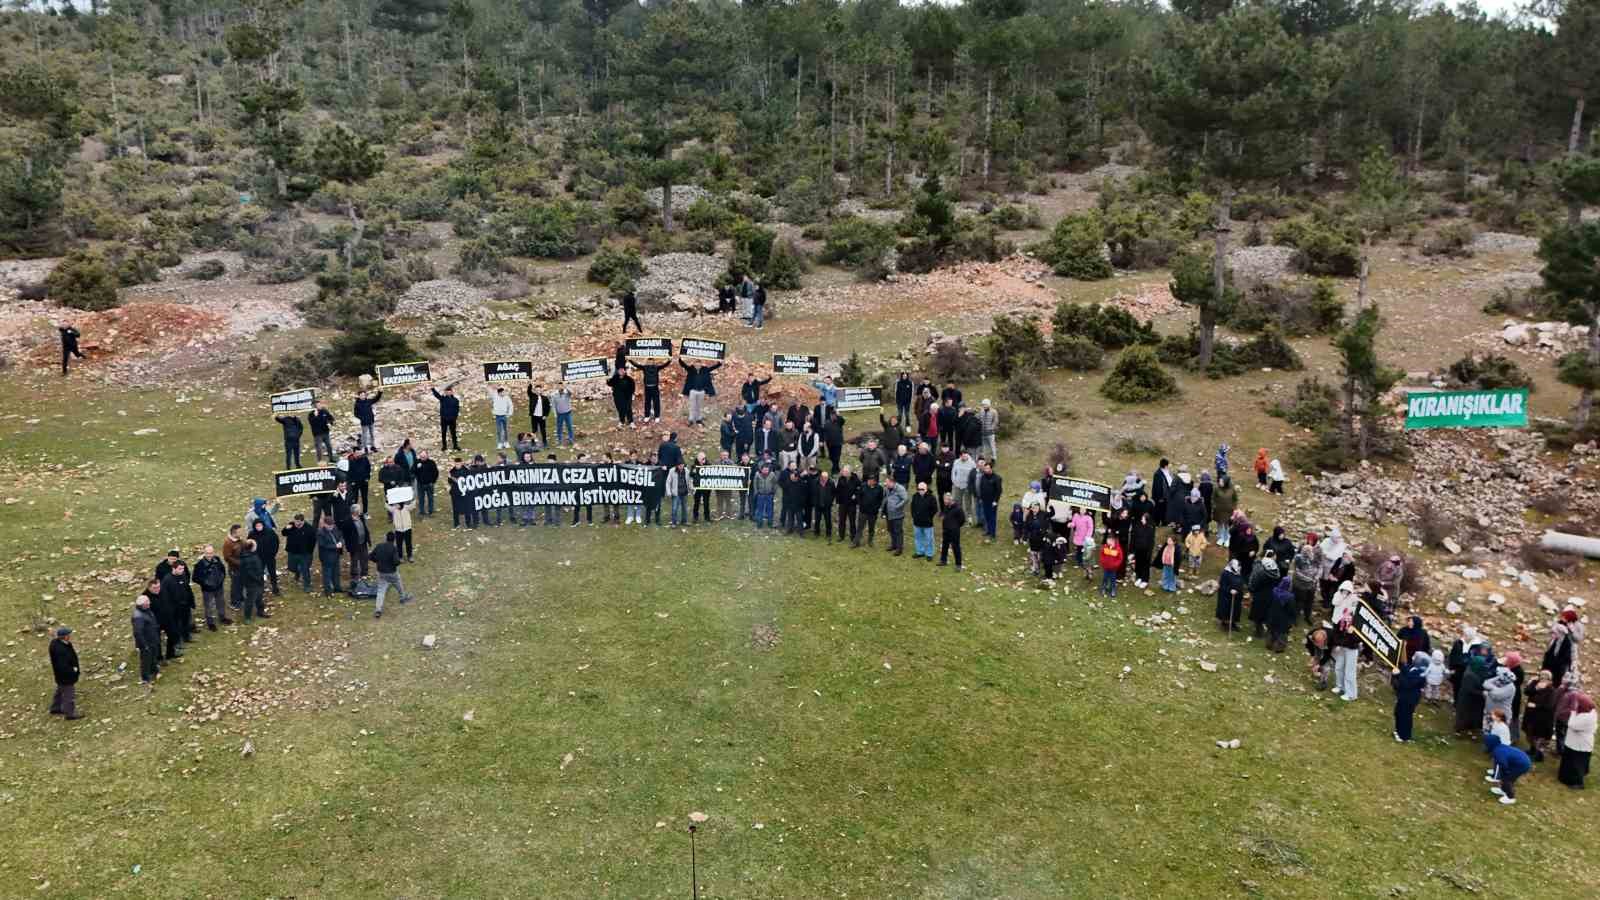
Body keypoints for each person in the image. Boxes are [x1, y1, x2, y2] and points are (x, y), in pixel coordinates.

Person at [369, 531, 412, 619]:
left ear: (386, 538)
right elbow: (396, 561)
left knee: (381, 591)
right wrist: (400, 562)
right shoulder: (393, 548)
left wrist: (377, 561)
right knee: (398, 582)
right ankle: (402, 597)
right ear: (394, 540)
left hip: (381, 572)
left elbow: (371, 556)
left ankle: (378, 610)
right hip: (392, 572)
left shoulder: (379, 546)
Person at [1558, 692, 1595, 788]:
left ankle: (1578, 783)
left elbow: (1572, 724)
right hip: (1572, 742)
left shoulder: (1588, 716)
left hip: (1581, 744)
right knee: (1568, 761)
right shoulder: (1583, 711)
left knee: (1577, 764)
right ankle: (1565, 778)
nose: (1576, 704)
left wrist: (1573, 712)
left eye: (1578, 703)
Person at [1484, 732, 1531, 805]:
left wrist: (1506, 773)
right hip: (1520, 761)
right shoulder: (1499, 746)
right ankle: (1503, 790)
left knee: (1507, 779)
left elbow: (1503, 763)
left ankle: (1510, 797)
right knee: (1505, 777)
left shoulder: (1497, 751)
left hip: (1522, 765)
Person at [1393, 651, 1430, 743]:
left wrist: (1398, 674)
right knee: (1398, 712)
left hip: (1410, 698)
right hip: (1403, 696)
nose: (1412, 657)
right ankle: (1398, 731)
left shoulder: (1421, 674)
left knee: (1405, 716)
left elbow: (1407, 683)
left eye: (1415, 657)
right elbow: (1405, 669)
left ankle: (1404, 736)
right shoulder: (1412, 668)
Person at [48, 626, 82, 719]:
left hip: (60, 676)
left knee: (60, 690)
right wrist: (73, 672)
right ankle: (70, 713)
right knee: (69, 694)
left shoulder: (55, 643)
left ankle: (55, 707)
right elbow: (63, 665)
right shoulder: (61, 650)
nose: (70, 636)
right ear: (65, 637)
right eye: (69, 634)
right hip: (66, 676)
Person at [193, 545, 229, 629]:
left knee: (221, 603)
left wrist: (221, 579)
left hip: (219, 587)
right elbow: (195, 578)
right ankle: (210, 623)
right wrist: (205, 583)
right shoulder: (199, 564)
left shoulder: (217, 559)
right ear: (204, 553)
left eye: (211, 553)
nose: (210, 555)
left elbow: (222, 569)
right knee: (209, 606)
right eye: (208, 553)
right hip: (208, 590)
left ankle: (222, 618)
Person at [1331, 606, 1362, 701]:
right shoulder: (1340, 622)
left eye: (1349, 615)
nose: (1347, 617)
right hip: (1341, 647)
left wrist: (1351, 633)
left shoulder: (1357, 625)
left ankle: (1351, 694)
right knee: (1339, 667)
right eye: (1346, 614)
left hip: (1352, 649)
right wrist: (1337, 644)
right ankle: (1340, 686)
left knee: (1349, 671)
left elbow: (1358, 639)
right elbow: (1336, 633)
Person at [680, 358, 721, 426]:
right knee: (692, 406)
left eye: (699, 364)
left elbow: (713, 368)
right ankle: (691, 420)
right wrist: (680, 359)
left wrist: (719, 363)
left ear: (701, 364)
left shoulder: (705, 369)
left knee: (699, 406)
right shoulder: (690, 369)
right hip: (693, 391)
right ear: (694, 364)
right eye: (696, 364)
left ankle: (699, 419)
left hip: (701, 391)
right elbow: (683, 365)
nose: (697, 366)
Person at [628, 357, 670, 423]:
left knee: (656, 402)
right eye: (649, 361)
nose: (650, 362)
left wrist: (669, 360)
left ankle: (657, 416)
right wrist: (630, 360)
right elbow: (637, 365)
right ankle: (647, 416)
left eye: (651, 361)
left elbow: (664, 365)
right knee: (647, 402)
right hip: (647, 388)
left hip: (655, 387)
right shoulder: (645, 367)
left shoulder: (656, 367)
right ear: (647, 362)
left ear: (653, 362)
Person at [132, 593, 161, 689]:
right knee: (146, 660)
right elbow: (138, 633)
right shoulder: (138, 617)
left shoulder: (146, 610)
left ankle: (153, 670)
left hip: (152, 639)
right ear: (142, 604)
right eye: (147, 602)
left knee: (153, 656)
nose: (149, 603)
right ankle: (145, 677)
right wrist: (144, 645)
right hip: (146, 642)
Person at [281, 514, 314, 591]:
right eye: (295, 521)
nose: (296, 523)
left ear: (302, 521)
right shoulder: (291, 525)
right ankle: (297, 573)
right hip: (292, 552)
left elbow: (313, 541)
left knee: (305, 569)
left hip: (304, 553)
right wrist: (286, 528)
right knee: (292, 567)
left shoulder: (309, 529)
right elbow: (283, 533)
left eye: (298, 522)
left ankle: (307, 585)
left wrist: (309, 552)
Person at [251, 519, 281, 597]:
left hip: (270, 557)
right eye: (257, 526)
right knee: (260, 573)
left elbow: (276, 542)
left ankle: (275, 588)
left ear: (263, 525)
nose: (259, 527)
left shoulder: (270, 532)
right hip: (259, 558)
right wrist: (254, 555)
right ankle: (261, 588)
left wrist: (273, 553)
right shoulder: (252, 534)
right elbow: (250, 545)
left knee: (272, 572)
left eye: (260, 525)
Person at [316, 515, 345, 595]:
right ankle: (328, 590)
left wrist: (341, 542)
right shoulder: (320, 533)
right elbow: (323, 545)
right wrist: (335, 546)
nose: (331, 527)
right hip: (326, 556)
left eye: (332, 525)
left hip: (336, 555)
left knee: (336, 572)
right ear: (324, 524)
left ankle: (337, 587)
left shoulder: (335, 528)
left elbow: (340, 536)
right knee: (327, 574)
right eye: (329, 526)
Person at [882, 475, 909, 556]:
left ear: (892, 482)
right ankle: (894, 545)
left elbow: (906, 499)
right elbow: (885, 498)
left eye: (887, 482)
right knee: (891, 530)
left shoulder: (900, 488)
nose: (885, 484)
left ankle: (899, 549)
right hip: (889, 514)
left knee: (898, 531)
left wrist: (897, 507)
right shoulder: (887, 489)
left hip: (898, 515)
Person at [976, 460, 1003, 542]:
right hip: (984, 501)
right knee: (987, 516)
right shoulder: (983, 477)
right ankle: (988, 531)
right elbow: (981, 487)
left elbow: (999, 491)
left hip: (992, 502)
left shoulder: (997, 478)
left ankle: (993, 534)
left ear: (991, 468)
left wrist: (995, 501)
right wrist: (981, 498)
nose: (986, 470)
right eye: (985, 468)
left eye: (988, 468)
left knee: (992, 518)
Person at [1215, 559, 1245, 631]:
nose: (1240, 567)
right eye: (1238, 566)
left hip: (1237, 596)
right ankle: (1224, 623)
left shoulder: (1238, 572)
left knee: (1236, 610)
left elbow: (1240, 582)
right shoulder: (1225, 573)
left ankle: (1233, 623)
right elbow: (1222, 585)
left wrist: (1240, 590)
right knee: (1226, 609)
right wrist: (1230, 590)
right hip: (1226, 596)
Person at [939, 492, 965, 570]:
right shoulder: (946, 507)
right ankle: (943, 560)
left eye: (946, 500)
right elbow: (944, 514)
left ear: (951, 500)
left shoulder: (958, 509)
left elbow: (962, 520)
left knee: (955, 547)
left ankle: (958, 564)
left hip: (954, 531)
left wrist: (955, 526)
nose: (945, 502)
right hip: (946, 530)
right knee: (945, 545)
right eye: (944, 500)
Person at [834, 466, 860, 545]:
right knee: (841, 521)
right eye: (843, 471)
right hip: (842, 503)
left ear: (849, 472)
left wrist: (855, 495)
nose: (844, 473)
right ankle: (841, 536)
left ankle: (853, 537)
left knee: (852, 521)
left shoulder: (855, 479)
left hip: (851, 504)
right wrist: (838, 501)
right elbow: (838, 490)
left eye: (845, 472)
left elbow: (859, 489)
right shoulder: (841, 478)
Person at [857, 475, 885, 548]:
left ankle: (870, 541)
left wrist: (876, 508)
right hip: (863, 512)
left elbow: (880, 500)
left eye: (870, 481)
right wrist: (861, 505)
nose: (868, 482)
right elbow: (859, 496)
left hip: (873, 513)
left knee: (871, 528)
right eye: (868, 480)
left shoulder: (879, 488)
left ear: (874, 482)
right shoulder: (863, 486)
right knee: (860, 527)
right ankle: (856, 542)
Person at [751, 462, 777, 528]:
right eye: (764, 470)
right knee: (760, 509)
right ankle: (759, 523)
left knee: (770, 509)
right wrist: (757, 492)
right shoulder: (757, 474)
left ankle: (770, 523)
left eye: (767, 470)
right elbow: (755, 484)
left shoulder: (772, 474)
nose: (766, 471)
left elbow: (775, 483)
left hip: (769, 494)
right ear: (761, 469)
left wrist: (773, 492)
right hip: (760, 494)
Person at [388, 496, 415, 561]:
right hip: (398, 530)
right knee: (399, 544)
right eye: (396, 504)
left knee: (408, 543)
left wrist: (412, 499)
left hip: (407, 528)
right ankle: (400, 557)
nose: (397, 505)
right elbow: (387, 507)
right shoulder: (394, 509)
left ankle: (410, 556)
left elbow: (412, 505)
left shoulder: (406, 507)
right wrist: (387, 500)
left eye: (398, 504)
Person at [1098, 533, 1124, 597]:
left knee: (1113, 579)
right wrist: (1103, 562)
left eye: (1110, 540)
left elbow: (1120, 558)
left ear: (1113, 540)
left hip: (1113, 569)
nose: (1108, 542)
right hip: (1106, 567)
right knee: (1105, 578)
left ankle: (1113, 589)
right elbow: (1102, 555)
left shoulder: (1118, 549)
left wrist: (1115, 565)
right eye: (1107, 540)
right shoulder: (1105, 547)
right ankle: (1104, 588)